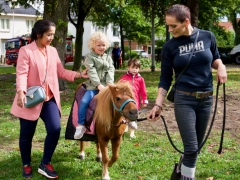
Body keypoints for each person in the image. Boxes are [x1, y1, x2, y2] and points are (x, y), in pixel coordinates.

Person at [147, 4, 227, 180]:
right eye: (168, 25)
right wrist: (157, 105)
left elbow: (215, 58)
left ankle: (180, 174)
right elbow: (165, 78)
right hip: (184, 100)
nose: (170, 29)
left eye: (173, 26)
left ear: (186, 22)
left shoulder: (208, 36)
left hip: (206, 99)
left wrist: (221, 66)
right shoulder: (170, 47)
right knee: (191, 148)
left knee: (195, 149)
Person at [10, 19, 88, 179]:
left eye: (53, 34)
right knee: (26, 134)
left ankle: (45, 163)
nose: (52, 37)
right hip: (30, 98)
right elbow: (22, 73)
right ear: (39, 34)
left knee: (54, 129)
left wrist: (79, 75)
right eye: (49, 34)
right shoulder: (26, 51)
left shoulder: (52, 51)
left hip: (49, 98)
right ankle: (26, 165)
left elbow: (61, 71)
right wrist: (21, 92)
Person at [74, 31, 115, 139]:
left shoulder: (108, 57)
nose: (101, 47)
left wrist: (109, 84)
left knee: (118, 101)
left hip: (106, 86)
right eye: (99, 45)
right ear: (93, 45)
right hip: (93, 86)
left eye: (103, 45)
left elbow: (111, 70)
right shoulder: (89, 57)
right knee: (84, 102)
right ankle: (81, 124)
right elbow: (91, 72)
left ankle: (125, 121)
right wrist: (98, 85)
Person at [119, 58, 148, 138]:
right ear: (128, 68)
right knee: (125, 115)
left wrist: (144, 101)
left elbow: (143, 91)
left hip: (135, 102)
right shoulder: (123, 78)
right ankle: (125, 128)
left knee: (133, 117)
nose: (135, 70)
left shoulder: (140, 79)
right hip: (125, 102)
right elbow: (119, 89)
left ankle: (132, 133)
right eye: (133, 67)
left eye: (137, 68)